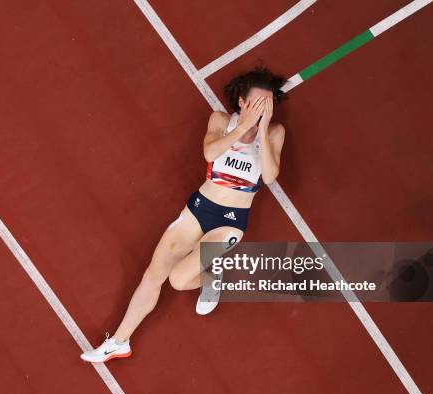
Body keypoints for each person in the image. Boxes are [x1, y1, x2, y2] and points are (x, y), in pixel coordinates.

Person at [81, 66, 287, 363]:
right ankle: (119, 342)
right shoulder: (221, 120)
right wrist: (242, 128)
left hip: (229, 223)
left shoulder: (275, 133)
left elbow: (269, 176)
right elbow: (209, 153)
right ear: (242, 103)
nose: (263, 109)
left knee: (178, 280)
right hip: (198, 210)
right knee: (153, 274)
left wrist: (263, 130)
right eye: (257, 103)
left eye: (267, 104)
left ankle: (212, 277)